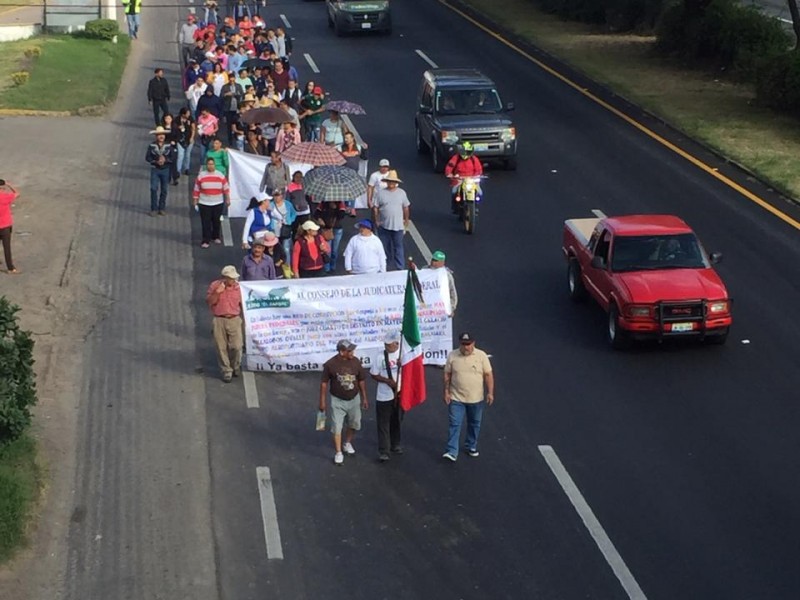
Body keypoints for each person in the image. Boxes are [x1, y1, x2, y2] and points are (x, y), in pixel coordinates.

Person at [442, 332, 494, 461]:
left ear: (473, 343)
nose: (466, 347)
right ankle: (452, 451)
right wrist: (446, 392)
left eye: (468, 344)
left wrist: (490, 392)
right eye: (463, 344)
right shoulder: (452, 355)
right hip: (456, 398)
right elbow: (447, 374)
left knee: (474, 423)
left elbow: (488, 375)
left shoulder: (481, 356)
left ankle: (471, 445)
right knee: (454, 424)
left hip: (476, 399)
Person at [320, 340, 369, 466]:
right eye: (349, 351)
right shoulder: (330, 364)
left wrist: (364, 397)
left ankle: (347, 443)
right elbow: (324, 383)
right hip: (338, 401)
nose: (352, 352)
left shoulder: (356, 362)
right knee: (337, 427)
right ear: (342, 352)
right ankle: (338, 452)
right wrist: (322, 401)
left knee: (354, 423)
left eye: (352, 350)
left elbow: (361, 380)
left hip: (354, 399)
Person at [206, 266, 243, 383]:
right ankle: (226, 370)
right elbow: (209, 302)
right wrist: (217, 292)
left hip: (234, 319)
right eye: (231, 278)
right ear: (225, 278)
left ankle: (235, 365)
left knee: (237, 346)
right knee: (221, 347)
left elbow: (244, 304)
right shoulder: (215, 286)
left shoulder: (239, 288)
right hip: (219, 319)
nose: (233, 280)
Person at [370, 332, 403, 462]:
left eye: (389, 345)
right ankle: (384, 450)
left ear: (396, 344)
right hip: (384, 395)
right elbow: (374, 374)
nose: (387, 347)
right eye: (385, 344)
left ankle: (395, 444)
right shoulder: (380, 356)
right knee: (383, 423)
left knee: (397, 421)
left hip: (399, 394)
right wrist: (386, 381)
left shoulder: (402, 354)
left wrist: (402, 365)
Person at [372, 170, 410, 270]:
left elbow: (406, 207)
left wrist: (406, 220)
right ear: (387, 182)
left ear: (395, 182)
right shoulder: (381, 193)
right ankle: (386, 267)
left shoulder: (402, 193)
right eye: (389, 181)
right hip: (384, 226)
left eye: (393, 181)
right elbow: (375, 207)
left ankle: (399, 268)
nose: (391, 183)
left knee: (398, 248)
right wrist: (376, 220)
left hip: (398, 226)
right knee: (385, 248)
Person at [193, 157, 230, 248]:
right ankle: (205, 240)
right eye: (209, 164)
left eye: (212, 164)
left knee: (216, 221)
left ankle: (216, 236)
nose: (210, 166)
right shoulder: (201, 175)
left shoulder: (220, 175)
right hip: (204, 202)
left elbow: (226, 188)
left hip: (218, 202)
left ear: (214, 165)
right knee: (206, 222)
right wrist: (195, 200)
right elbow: (196, 189)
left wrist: (228, 198)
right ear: (206, 165)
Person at [444, 141, 483, 213]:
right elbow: (449, 166)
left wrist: (477, 176)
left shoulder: (474, 159)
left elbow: (479, 169)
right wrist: (449, 174)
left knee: (480, 192)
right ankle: (455, 206)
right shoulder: (456, 158)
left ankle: (476, 206)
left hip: (472, 180)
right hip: (459, 179)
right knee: (454, 191)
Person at [145, 126, 175, 216]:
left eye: (162, 134)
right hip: (155, 169)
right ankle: (154, 208)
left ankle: (162, 208)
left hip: (166, 169)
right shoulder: (151, 146)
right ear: (156, 136)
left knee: (164, 189)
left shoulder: (169, 146)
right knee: (153, 189)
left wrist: (165, 160)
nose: (161, 136)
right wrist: (155, 161)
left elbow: (173, 157)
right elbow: (147, 157)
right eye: (159, 135)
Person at [315, 200, 346, 274]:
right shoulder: (323, 203)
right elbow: (316, 214)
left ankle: (333, 267)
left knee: (334, 250)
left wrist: (335, 209)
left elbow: (342, 215)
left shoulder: (340, 203)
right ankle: (327, 268)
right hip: (326, 229)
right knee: (327, 250)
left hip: (337, 229)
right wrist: (319, 219)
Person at [269, 189, 296, 264]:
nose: (276, 197)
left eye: (278, 195)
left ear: (282, 196)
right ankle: (276, 266)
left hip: (285, 229)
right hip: (275, 229)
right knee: (276, 249)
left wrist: (290, 220)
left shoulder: (288, 204)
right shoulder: (271, 205)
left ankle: (287, 268)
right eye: (275, 195)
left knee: (286, 249)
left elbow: (294, 213)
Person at [428, 250, 458, 316]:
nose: (433, 262)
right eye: (433, 259)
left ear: (442, 262)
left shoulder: (447, 276)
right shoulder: (425, 270)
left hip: (439, 309)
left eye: (436, 260)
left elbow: (453, 293)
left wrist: (451, 308)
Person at [0, 179, 19, 274]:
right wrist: (9, 185)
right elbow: (17, 193)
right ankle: (10, 268)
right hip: (5, 226)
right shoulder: (5, 197)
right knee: (6, 247)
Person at [175, 107, 196, 176]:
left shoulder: (190, 119)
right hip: (180, 139)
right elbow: (174, 127)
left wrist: (192, 137)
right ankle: (178, 170)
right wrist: (178, 127)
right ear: (183, 114)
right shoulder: (177, 119)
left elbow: (193, 128)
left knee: (187, 155)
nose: (188, 114)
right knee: (180, 155)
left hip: (189, 139)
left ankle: (187, 168)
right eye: (187, 113)